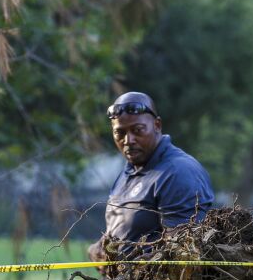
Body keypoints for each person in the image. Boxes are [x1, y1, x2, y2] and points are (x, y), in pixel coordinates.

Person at [88, 91, 214, 261]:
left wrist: (128, 266)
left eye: (137, 130)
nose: (128, 140)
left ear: (157, 125)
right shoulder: (130, 170)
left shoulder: (177, 172)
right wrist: (101, 250)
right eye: (120, 133)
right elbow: (131, 231)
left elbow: (182, 255)